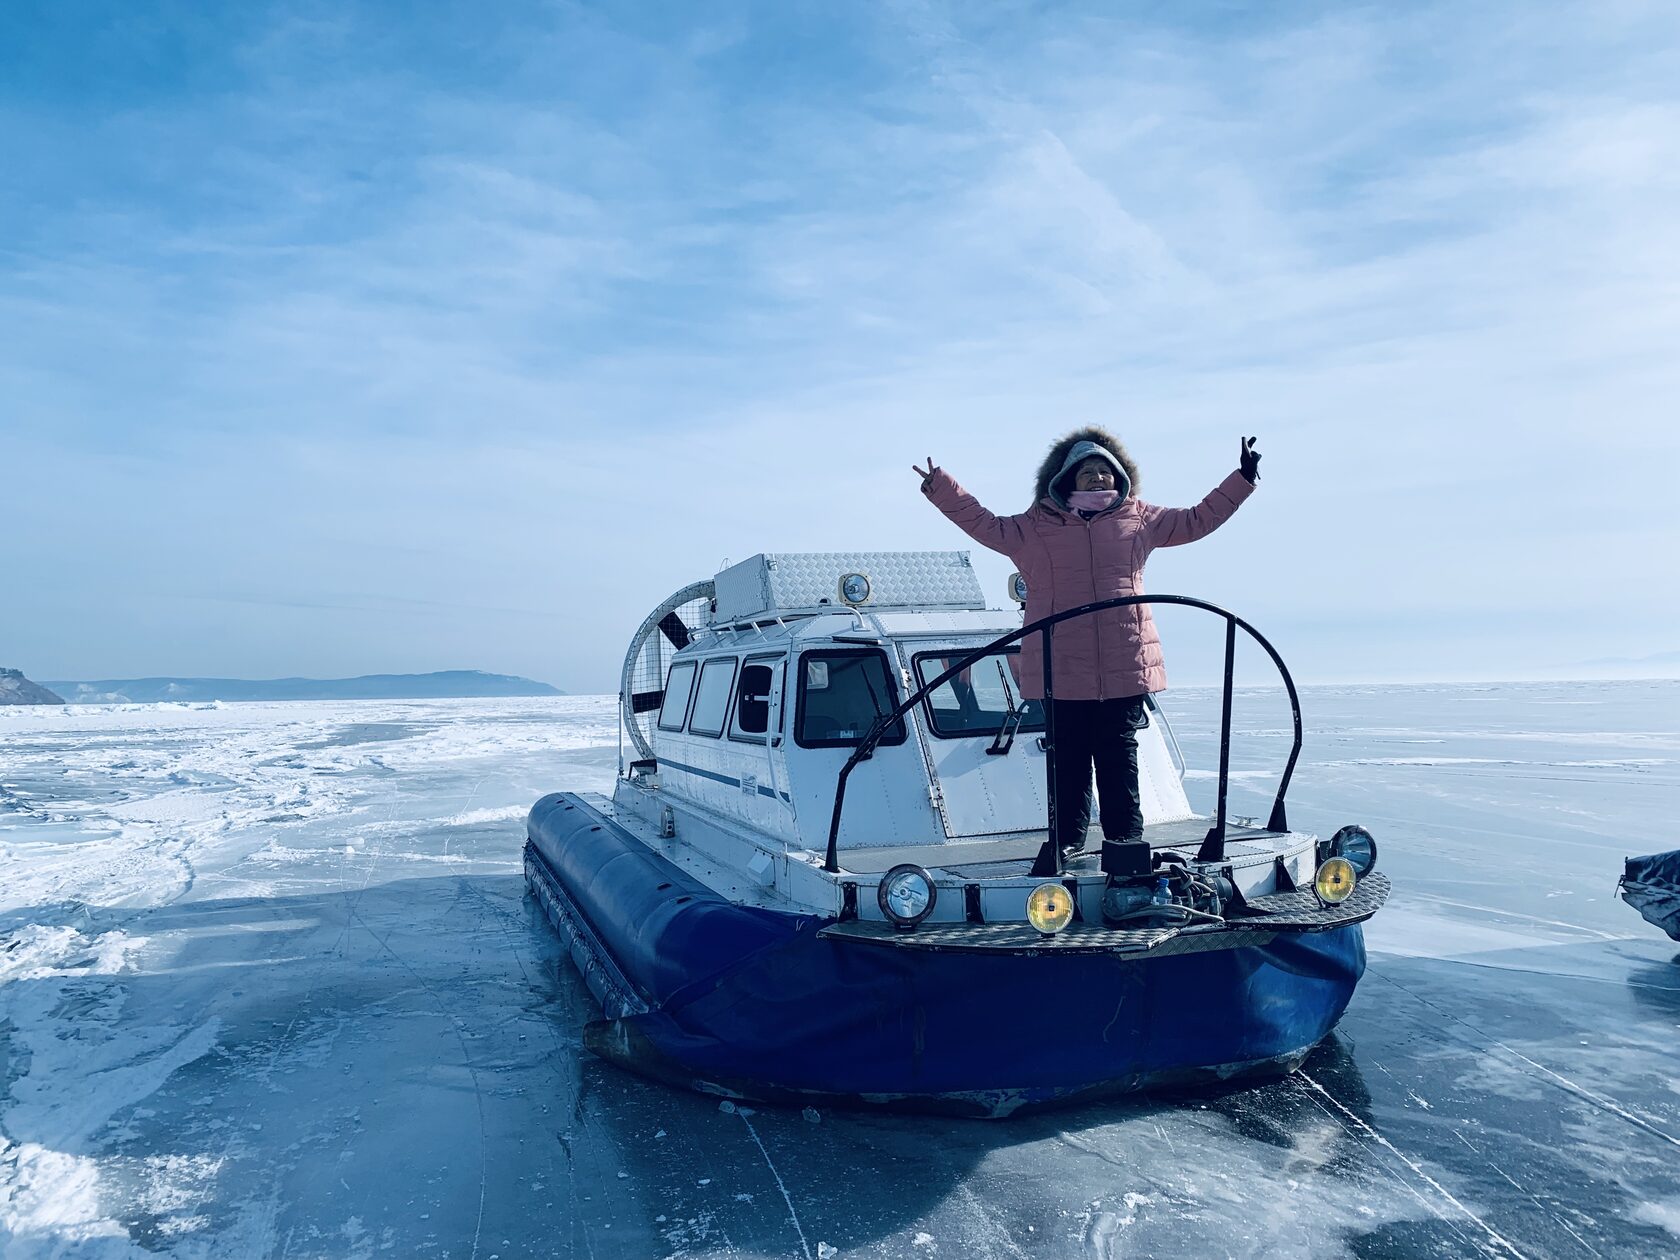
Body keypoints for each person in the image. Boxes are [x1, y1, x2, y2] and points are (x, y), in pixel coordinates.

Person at [914, 427, 1260, 870]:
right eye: (1087, 473)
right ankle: (1066, 842)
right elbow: (983, 523)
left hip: (1124, 661)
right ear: (1066, 482)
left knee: (1119, 756)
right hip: (1061, 666)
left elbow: (1197, 520)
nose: (1098, 479)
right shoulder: (1033, 528)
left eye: (1104, 472)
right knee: (1069, 758)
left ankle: (1125, 844)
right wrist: (941, 486)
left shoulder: (1141, 519)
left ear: (1119, 479)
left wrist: (1242, 478)